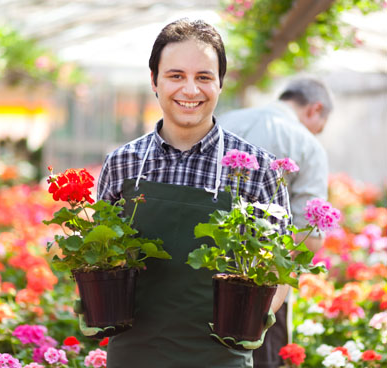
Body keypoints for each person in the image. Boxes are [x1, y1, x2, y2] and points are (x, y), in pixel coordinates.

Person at [97, 19, 291, 368]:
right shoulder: (122, 164)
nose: (190, 90)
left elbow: (281, 270)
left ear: (220, 84)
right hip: (134, 354)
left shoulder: (259, 169)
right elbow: (100, 260)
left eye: (203, 77)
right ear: (154, 81)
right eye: (176, 76)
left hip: (220, 356)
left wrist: (250, 323)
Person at [219, 77, 333, 368]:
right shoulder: (306, 144)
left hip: (203, 272)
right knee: (262, 356)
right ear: (314, 110)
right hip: (265, 285)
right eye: (319, 127)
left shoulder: (222, 121)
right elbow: (310, 236)